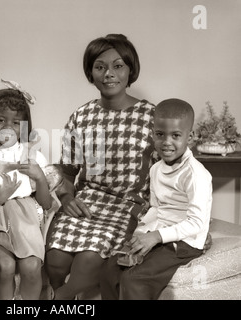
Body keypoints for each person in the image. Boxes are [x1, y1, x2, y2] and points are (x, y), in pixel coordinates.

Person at [45, 34, 158, 299]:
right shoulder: (81, 116)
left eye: (118, 66)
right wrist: (66, 196)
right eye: (100, 67)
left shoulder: (152, 117)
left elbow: (167, 170)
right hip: (87, 200)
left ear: (131, 71)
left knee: (88, 258)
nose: (109, 74)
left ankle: (57, 300)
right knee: (56, 259)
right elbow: (67, 170)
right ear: (91, 72)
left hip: (128, 205)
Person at [100, 98, 213, 299]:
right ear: (152, 134)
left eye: (176, 135)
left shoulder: (196, 175)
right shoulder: (155, 169)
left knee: (134, 279)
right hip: (159, 232)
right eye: (160, 135)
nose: (167, 142)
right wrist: (142, 233)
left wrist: (155, 237)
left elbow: (196, 222)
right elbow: (156, 208)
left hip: (185, 242)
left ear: (191, 136)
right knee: (110, 268)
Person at [0, 80, 53, 300]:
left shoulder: (32, 156)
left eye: (15, 123)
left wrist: (40, 178)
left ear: (23, 127)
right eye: (1, 120)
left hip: (26, 220)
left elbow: (47, 203)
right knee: (4, 267)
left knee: (31, 267)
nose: (7, 127)